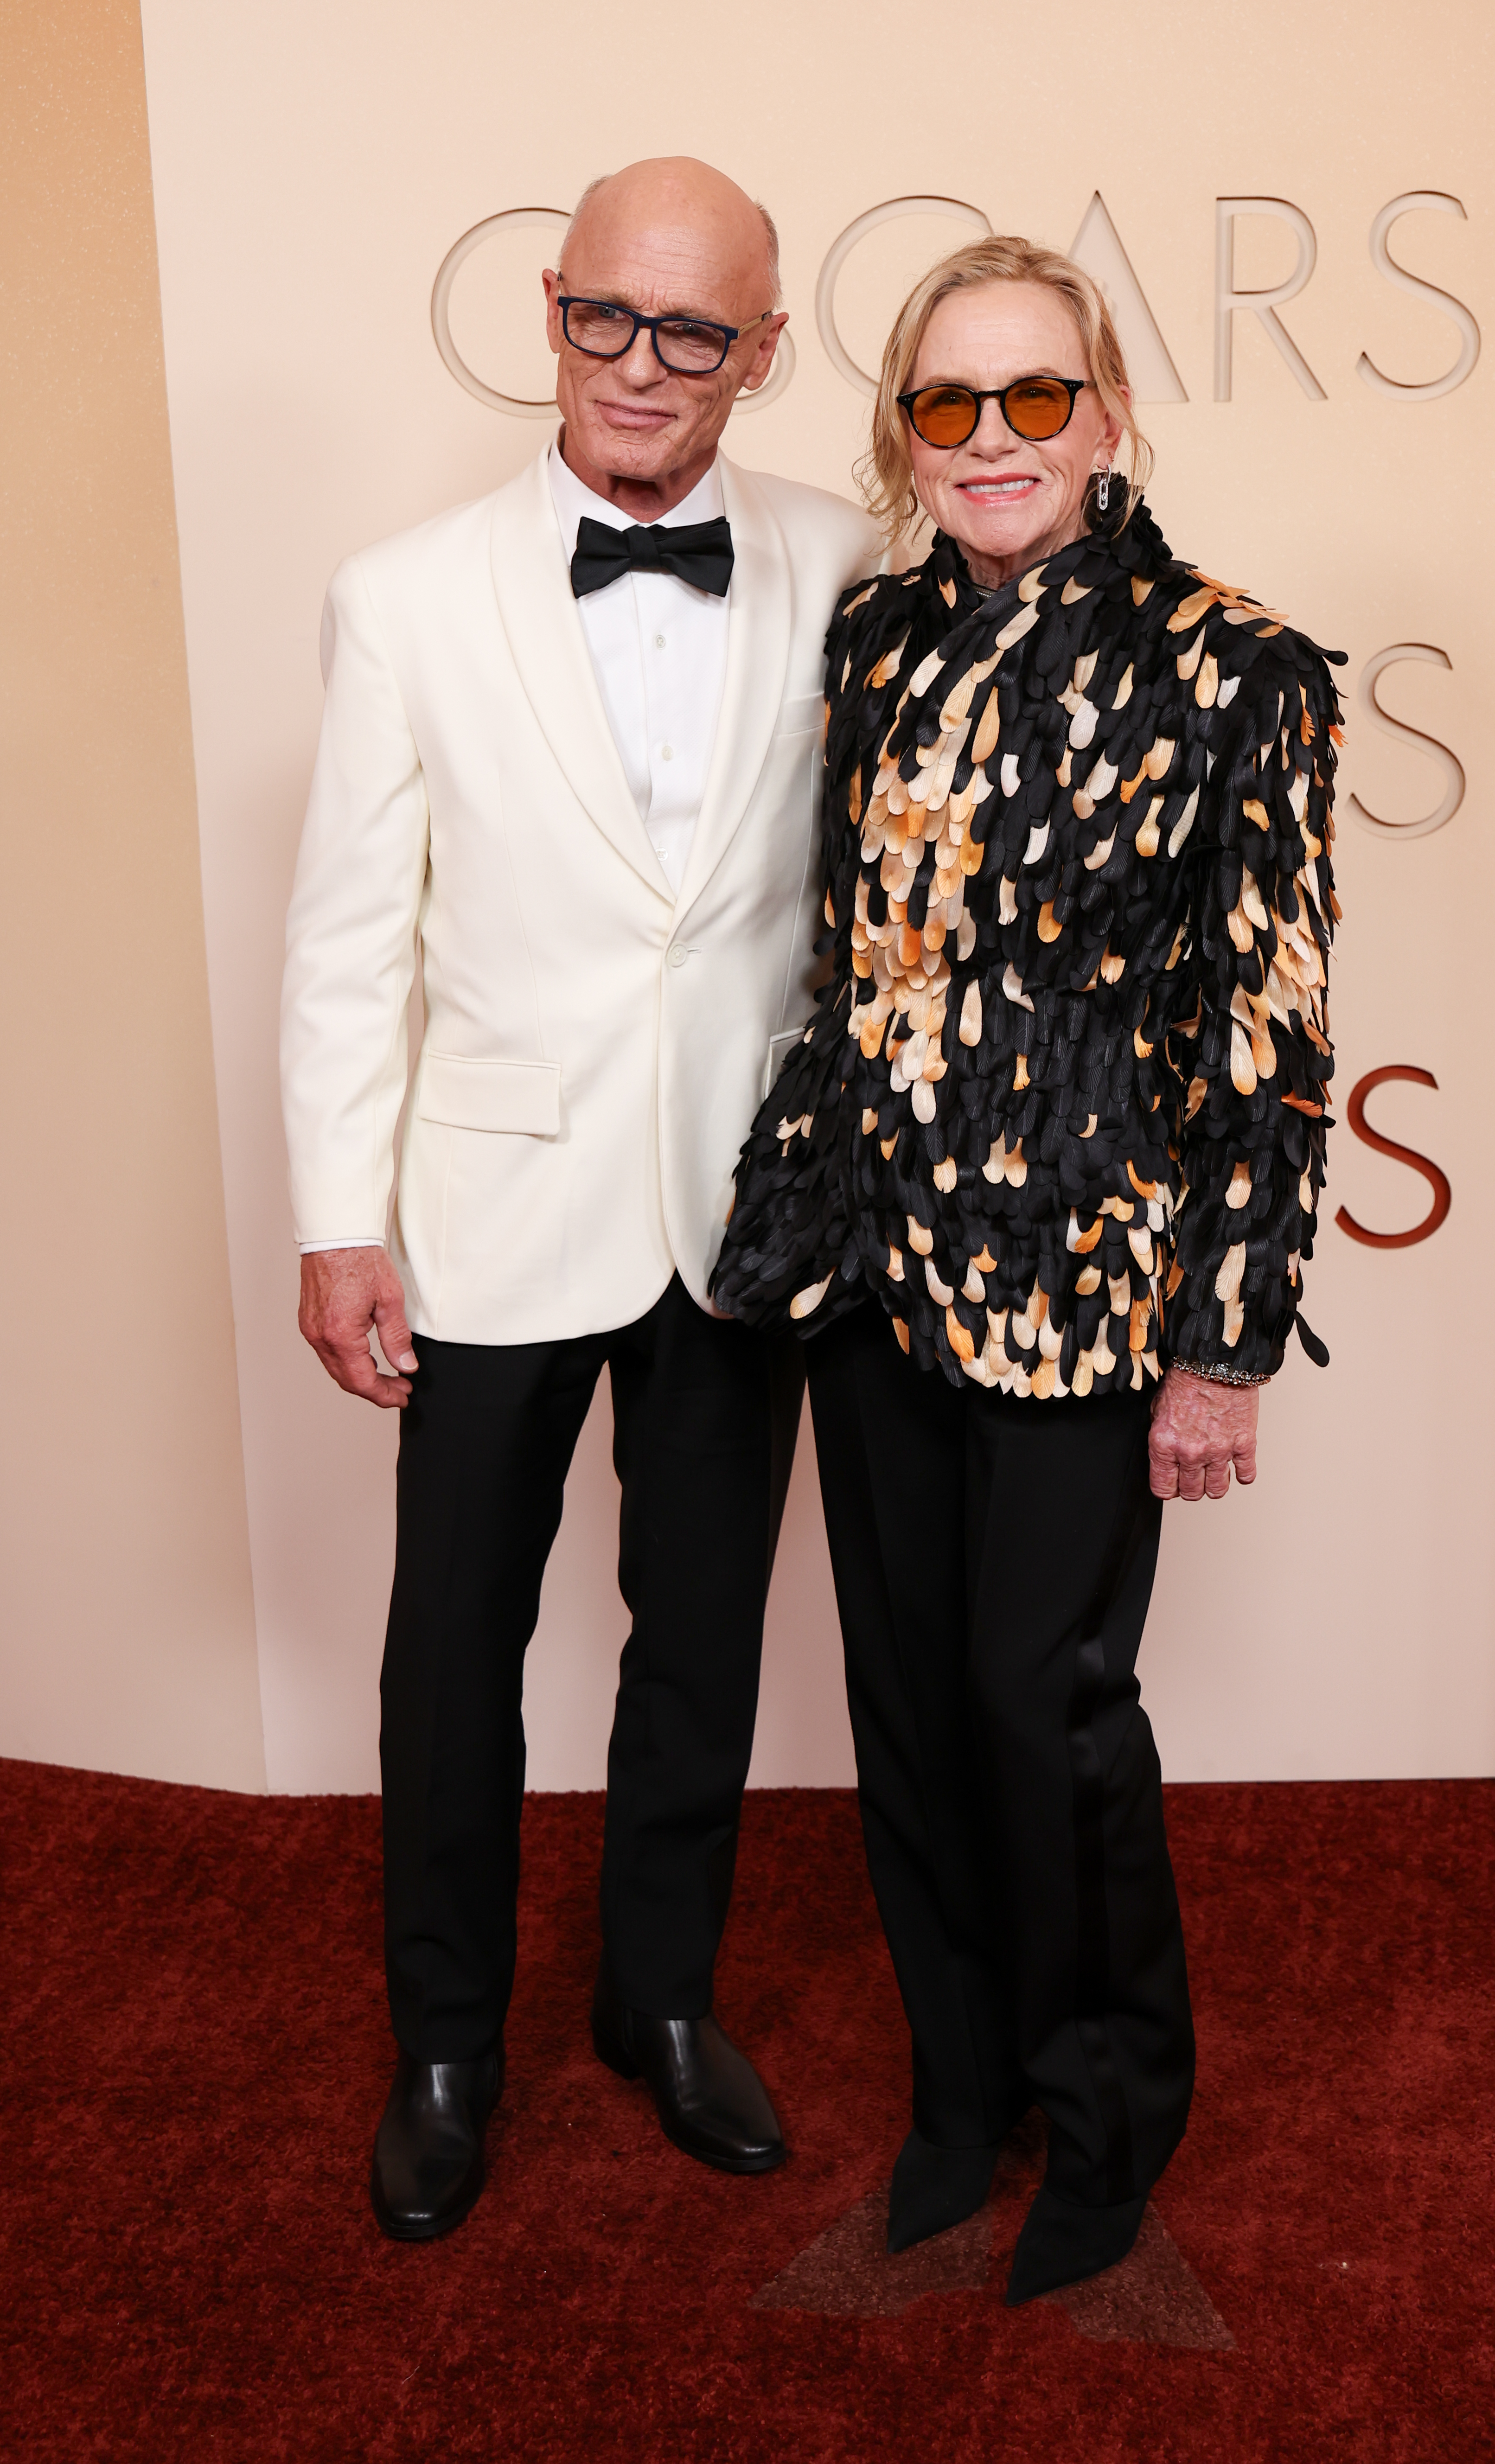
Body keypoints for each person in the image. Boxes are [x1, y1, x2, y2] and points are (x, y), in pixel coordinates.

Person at [713, 236, 1342, 2304]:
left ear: (1111, 411)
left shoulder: (1234, 670)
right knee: (904, 1707)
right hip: (877, 1270)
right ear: (902, 429)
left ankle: (1107, 2114)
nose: (992, 441)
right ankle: (954, 2092)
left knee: (1041, 1705)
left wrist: (1224, 1343)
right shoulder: (879, 642)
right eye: (947, 404)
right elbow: (840, 960)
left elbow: (1264, 1033)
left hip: (1085, 1289)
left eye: (1036, 398)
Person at [281, 157, 880, 2240]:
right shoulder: (404, 592)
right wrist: (338, 1213)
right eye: (606, 320)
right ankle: (446, 2040)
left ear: (762, 352)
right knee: (451, 1647)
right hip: (486, 1214)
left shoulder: (844, 558)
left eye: (693, 332)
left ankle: (661, 2002)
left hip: (748, 1217)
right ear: (549, 313)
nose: (641, 368)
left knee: (696, 1636)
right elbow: (352, 937)